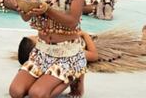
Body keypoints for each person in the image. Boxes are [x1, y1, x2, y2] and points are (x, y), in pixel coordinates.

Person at [17, 27, 146, 73]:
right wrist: (84, 35)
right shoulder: (64, 53)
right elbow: (94, 55)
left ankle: (140, 44)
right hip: (101, 50)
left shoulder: (54, 45)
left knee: (129, 44)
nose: (39, 36)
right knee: (129, 50)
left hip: (88, 41)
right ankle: (141, 47)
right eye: (37, 39)